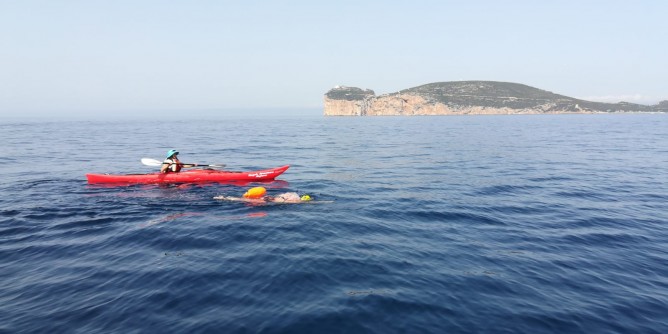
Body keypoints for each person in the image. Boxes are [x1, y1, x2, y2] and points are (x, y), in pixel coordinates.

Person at [214, 187, 313, 204]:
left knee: (243, 200)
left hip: (268, 199)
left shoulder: (293, 197)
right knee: (244, 200)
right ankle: (225, 198)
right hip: (270, 199)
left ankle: (225, 198)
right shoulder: (294, 200)